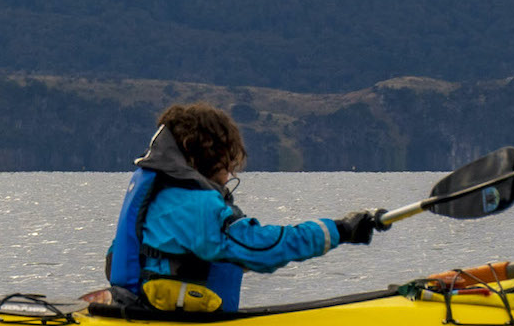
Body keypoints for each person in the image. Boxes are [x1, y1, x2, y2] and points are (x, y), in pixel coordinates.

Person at [103, 103, 387, 314]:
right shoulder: (194, 205)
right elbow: (260, 248)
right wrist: (340, 230)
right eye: (229, 160)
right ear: (209, 155)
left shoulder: (162, 195)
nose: (230, 173)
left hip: (140, 311)